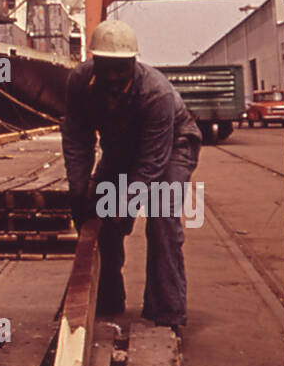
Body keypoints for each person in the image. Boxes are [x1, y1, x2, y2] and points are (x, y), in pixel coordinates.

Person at [60, 19, 202, 333]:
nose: (112, 77)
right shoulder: (79, 83)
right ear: (93, 61)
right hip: (121, 147)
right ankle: (108, 297)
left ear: (132, 63)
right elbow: (76, 137)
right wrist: (80, 188)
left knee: (162, 217)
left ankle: (168, 311)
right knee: (98, 209)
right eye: (105, 67)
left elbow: (152, 162)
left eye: (120, 69)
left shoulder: (157, 93)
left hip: (173, 145)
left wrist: (126, 205)